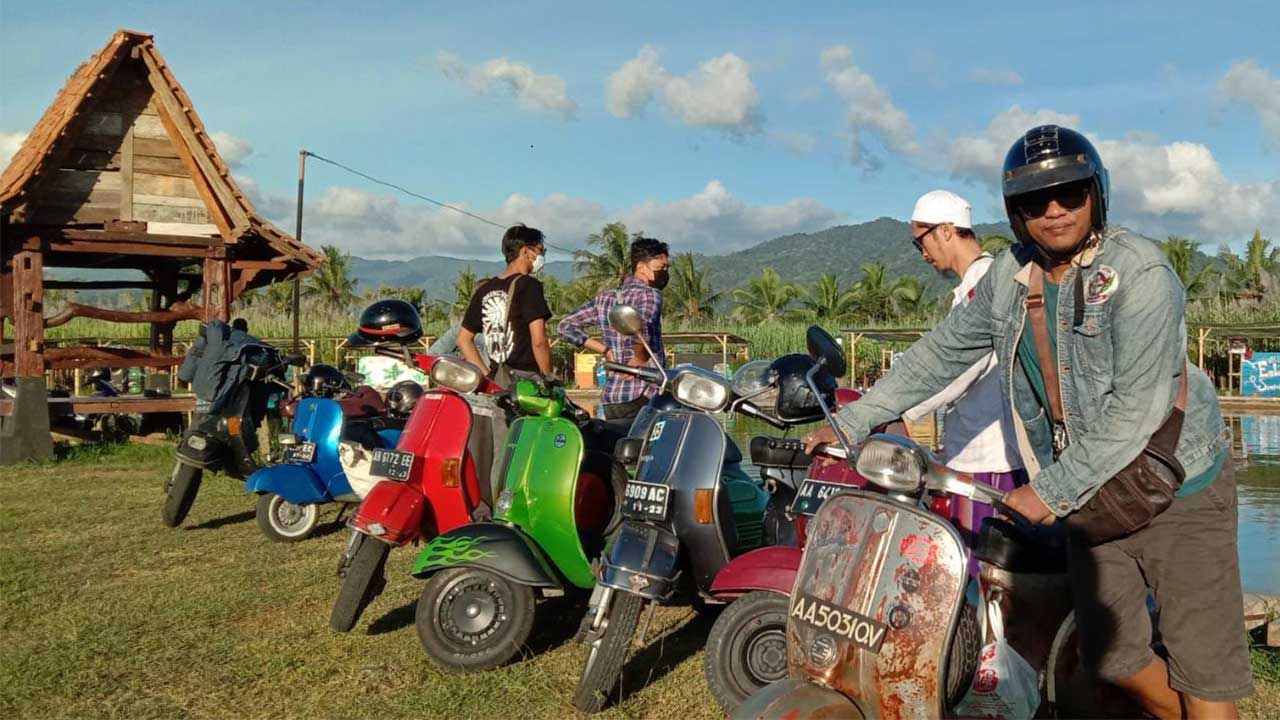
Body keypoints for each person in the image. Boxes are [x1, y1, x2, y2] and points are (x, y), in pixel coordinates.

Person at [805, 125, 1251, 716]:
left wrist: (1051, 489)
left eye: (1070, 193)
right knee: (1111, 658)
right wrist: (856, 419)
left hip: (1179, 486)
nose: (1055, 210)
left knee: (1203, 672)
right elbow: (940, 354)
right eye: (1034, 201)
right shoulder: (1008, 280)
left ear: (1096, 194)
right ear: (1015, 213)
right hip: (1097, 498)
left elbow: (1136, 411)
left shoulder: (1138, 274)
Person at [899, 190, 1025, 577]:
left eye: (921, 241)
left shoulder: (985, 283)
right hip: (972, 448)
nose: (922, 253)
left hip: (988, 457)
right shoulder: (973, 284)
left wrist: (902, 409)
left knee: (979, 572)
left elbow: (958, 365)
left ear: (947, 231)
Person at [557, 237, 670, 422]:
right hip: (642, 392)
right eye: (661, 267)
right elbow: (644, 328)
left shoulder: (605, 298)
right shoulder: (650, 294)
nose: (665, 272)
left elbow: (565, 326)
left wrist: (606, 351)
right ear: (641, 267)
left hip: (613, 397)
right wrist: (638, 360)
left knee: (617, 448)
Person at [458, 224, 554, 383]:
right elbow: (539, 341)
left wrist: (488, 376)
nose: (542, 255)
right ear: (525, 251)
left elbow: (463, 339)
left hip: (499, 380)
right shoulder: (529, 285)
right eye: (540, 250)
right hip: (528, 381)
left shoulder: (484, 290)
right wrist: (549, 378)